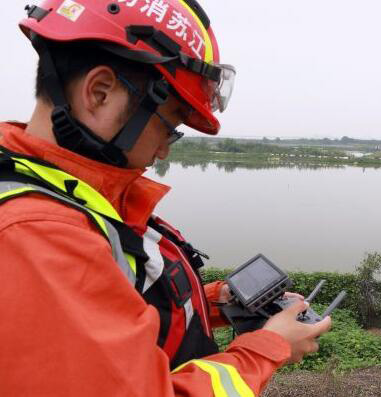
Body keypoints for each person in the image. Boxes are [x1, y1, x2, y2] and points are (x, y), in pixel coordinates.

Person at [0, 1, 331, 396]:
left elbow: (117, 307)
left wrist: (219, 300)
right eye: (169, 127)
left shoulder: (65, 192)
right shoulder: (39, 238)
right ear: (100, 93)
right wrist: (267, 349)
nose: (163, 152)